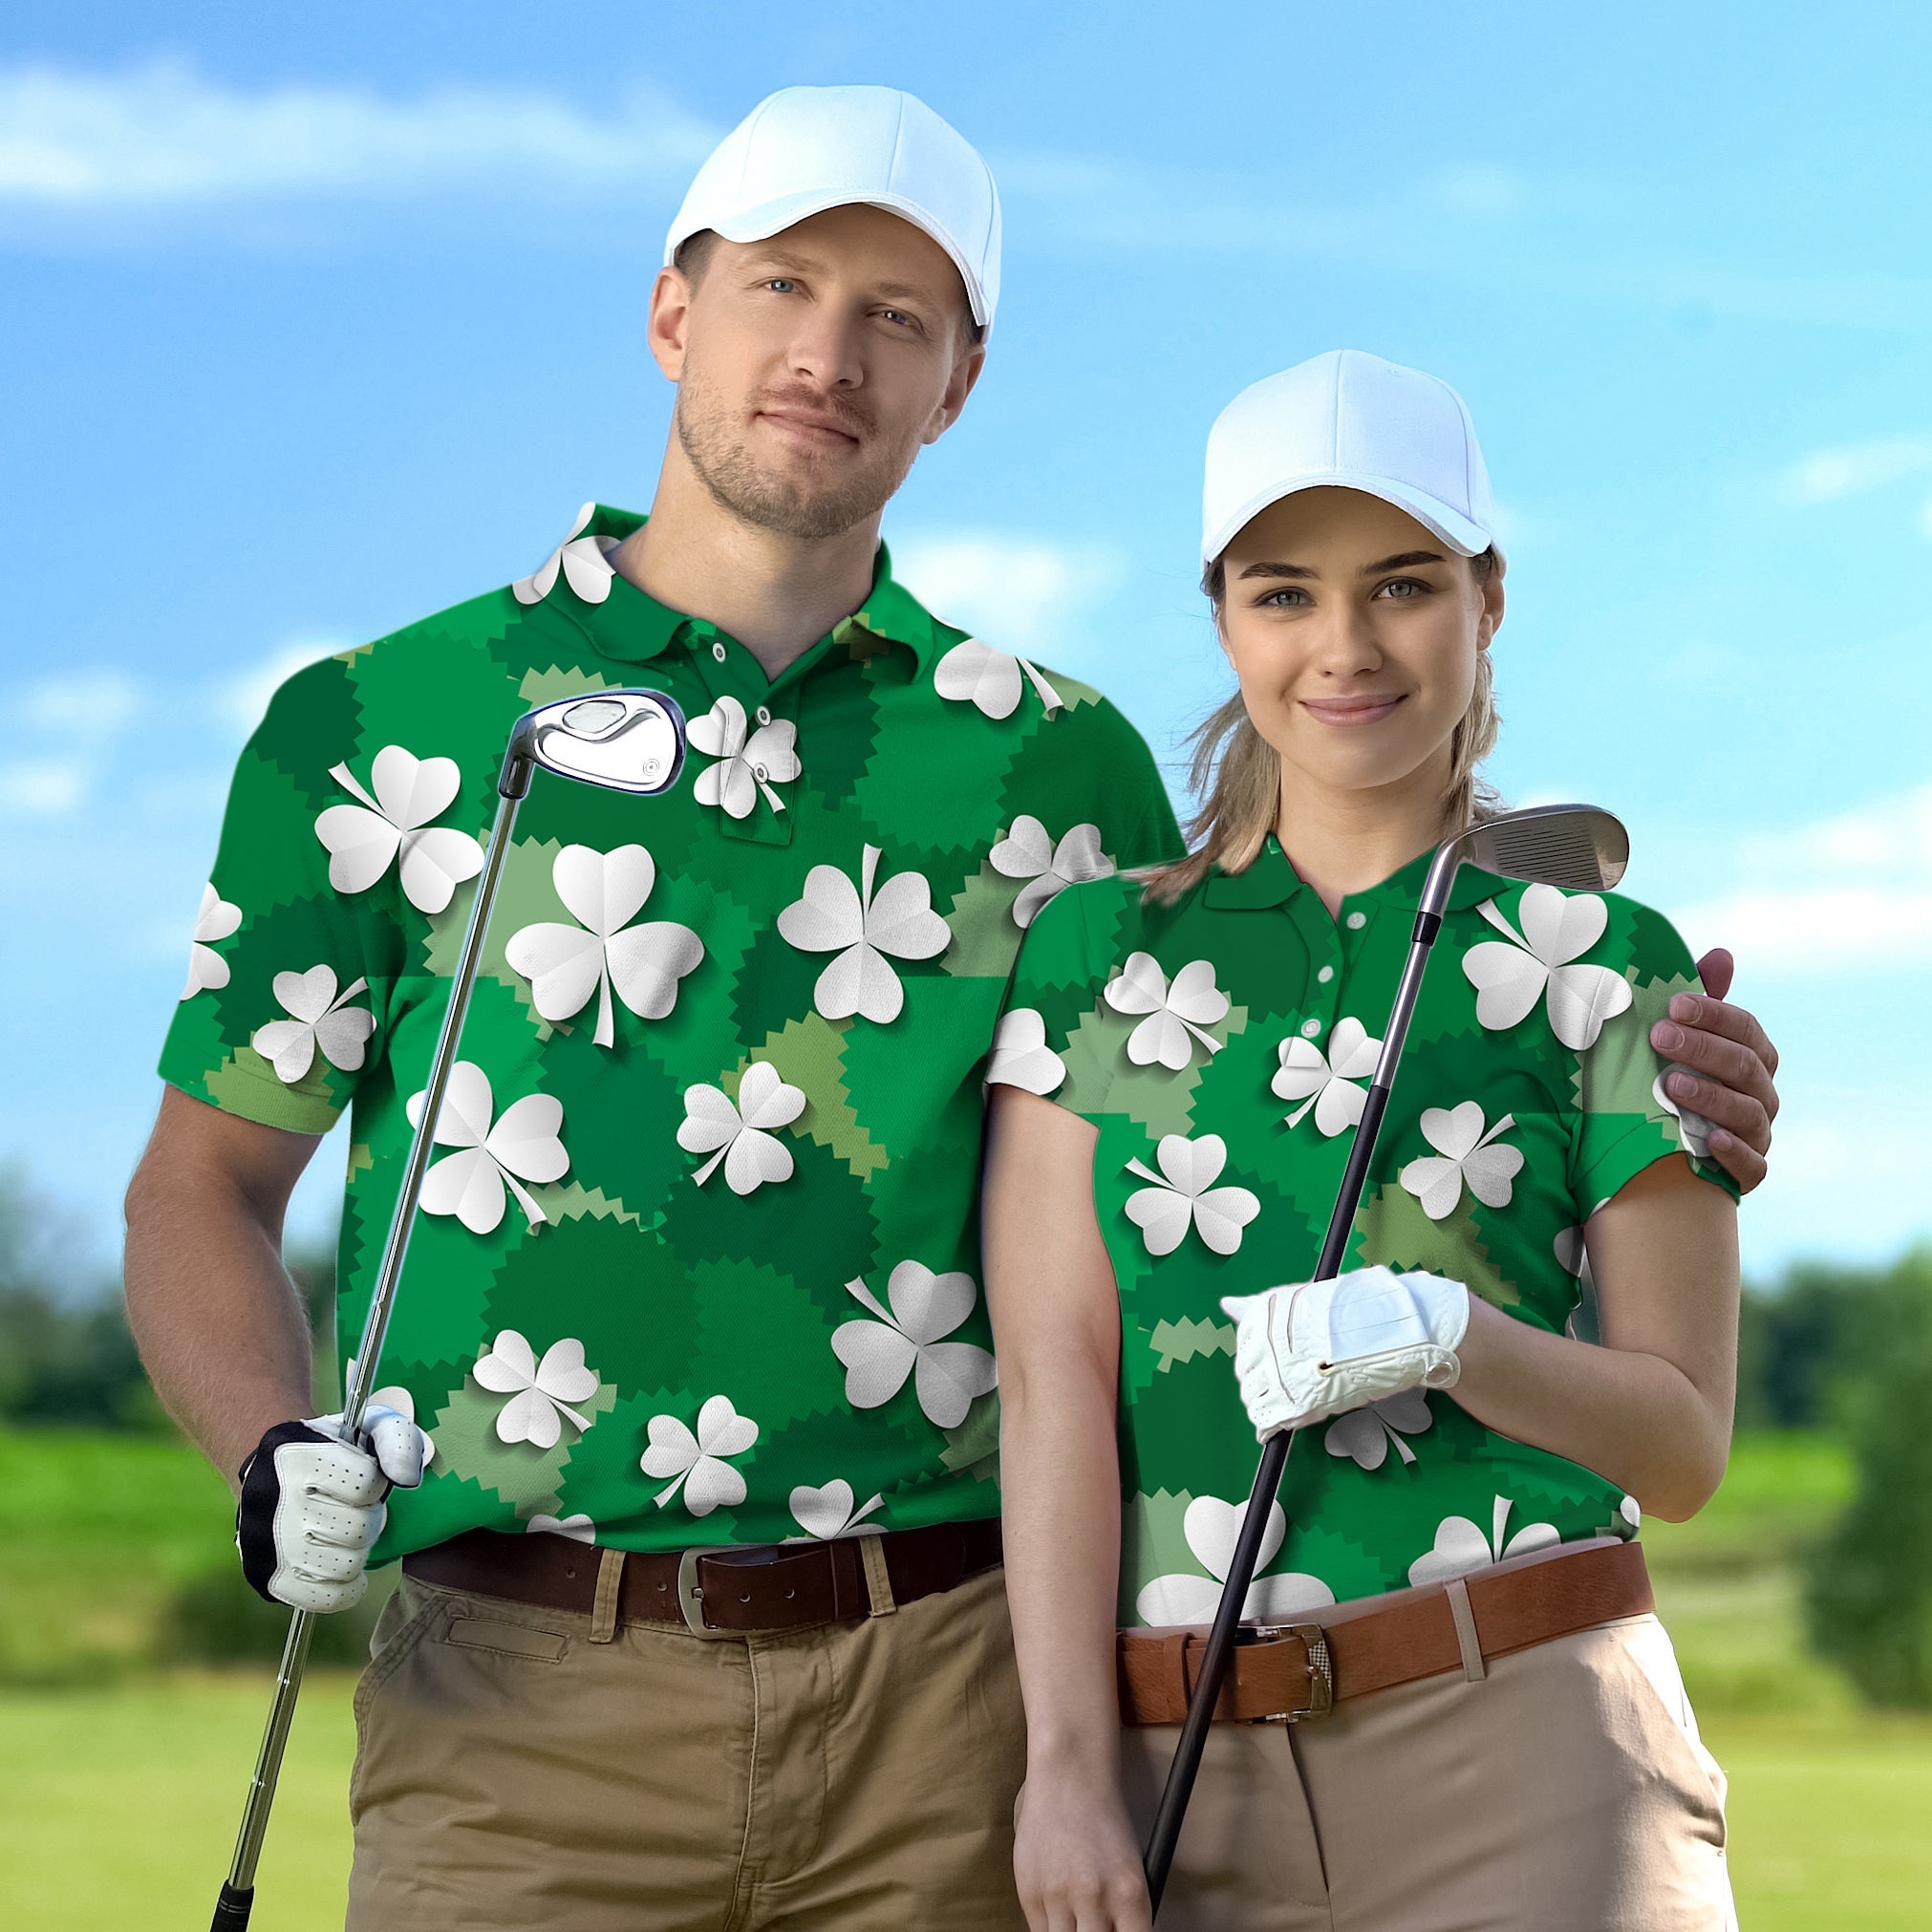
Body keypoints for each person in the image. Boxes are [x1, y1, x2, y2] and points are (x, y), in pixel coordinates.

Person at [120, 82, 1778, 1929]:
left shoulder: (1053, 762)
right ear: (673, 309)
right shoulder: (379, 725)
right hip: (514, 1704)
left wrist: (1620, 1019)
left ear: (960, 379)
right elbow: (200, 1188)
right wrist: (268, 1450)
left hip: (946, 1698)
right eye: (780, 286)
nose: (827, 354)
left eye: (894, 316)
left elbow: (1282, 945)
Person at [984, 351, 1750, 1930]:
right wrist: (1062, 1762)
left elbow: (1678, 1448)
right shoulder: (1088, 959)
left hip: (1532, 1734)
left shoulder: (1605, 959)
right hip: (1180, 1770)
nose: (1342, 647)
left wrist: (1445, 1333)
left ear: (1485, 599)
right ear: (1220, 617)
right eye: (1283, 594)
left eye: (1400, 584)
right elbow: (1053, 1383)